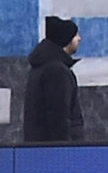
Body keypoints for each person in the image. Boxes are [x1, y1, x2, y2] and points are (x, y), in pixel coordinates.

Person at [24, 15, 84, 143]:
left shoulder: (42, 67)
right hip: (55, 154)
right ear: (66, 40)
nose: (79, 38)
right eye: (75, 35)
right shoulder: (57, 72)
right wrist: (64, 150)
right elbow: (59, 117)